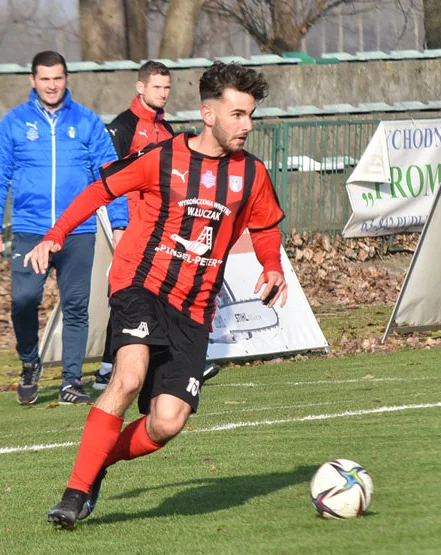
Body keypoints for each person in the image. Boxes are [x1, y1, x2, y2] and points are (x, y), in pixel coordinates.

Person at [26, 61, 288, 528]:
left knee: (167, 422)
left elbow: (265, 224)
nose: (246, 125)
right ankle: (74, 492)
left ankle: (99, 462)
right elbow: (100, 191)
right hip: (139, 284)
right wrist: (56, 234)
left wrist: (272, 266)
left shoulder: (252, 174)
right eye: (237, 115)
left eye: (250, 116)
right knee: (127, 377)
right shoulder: (163, 158)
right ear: (208, 114)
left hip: (195, 307)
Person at [0, 51, 128, 406]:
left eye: (58, 78)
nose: (52, 85)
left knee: (77, 305)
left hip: (77, 230)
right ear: (33, 80)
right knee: (24, 300)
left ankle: (71, 383)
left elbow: (110, 175)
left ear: (67, 79)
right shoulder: (14, 123)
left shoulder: (88, 122)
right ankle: (30, 362)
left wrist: (120, 221)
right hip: (31, 231)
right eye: (45, 78)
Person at [93, 61, 222, 391]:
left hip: (163, 227)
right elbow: (108, 178)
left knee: (165, 288)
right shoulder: (122, 128)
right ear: (140, 88)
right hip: (132, 225)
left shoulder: (168, 132)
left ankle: (176, 357)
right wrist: (119, 223)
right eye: (156, 87)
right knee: (129, 289)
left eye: (167, 88)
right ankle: (110, 365)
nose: (163, 93)